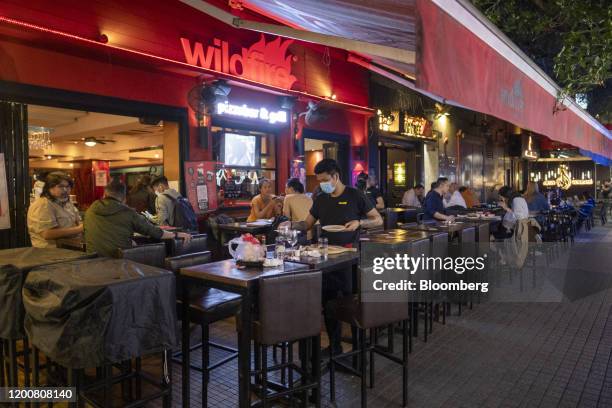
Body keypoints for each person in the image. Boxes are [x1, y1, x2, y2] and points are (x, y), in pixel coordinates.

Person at [299, 159, 382, 355]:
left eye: (325, 180)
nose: (322, 185)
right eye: (319, 181)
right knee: (327, 304)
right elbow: (307, 224)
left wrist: (359, 223)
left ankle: (358, 349)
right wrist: (290, 226)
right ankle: (334, 347)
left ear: (335, 177)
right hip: (325, 257)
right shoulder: (321, 198)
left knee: (350, 303)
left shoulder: (355, 195)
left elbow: (377, 219)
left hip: (349, 257)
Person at [84, 181, 191, 257]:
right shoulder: (128, 212)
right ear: (124, 198)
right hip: (119, 261)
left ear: (104, 194)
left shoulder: (90, 210)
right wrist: (178, 234)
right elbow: (154, 232)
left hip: (93, 260)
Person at [27, 172, 83, 248]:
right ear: (50, 187)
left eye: (68, 186)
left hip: (71, 248)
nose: (65, 190)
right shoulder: (43, 204)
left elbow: (78, 221)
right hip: (50, 253)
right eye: (61, 186)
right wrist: (79, 229)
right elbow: (47, 234)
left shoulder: (67, 202)